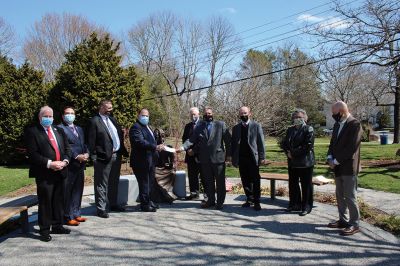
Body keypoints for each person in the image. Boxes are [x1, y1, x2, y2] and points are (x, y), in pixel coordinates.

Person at [24, 106, 72, 242]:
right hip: (45, 173)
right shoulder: (32, 132)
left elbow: (67, 149)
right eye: (45, 116)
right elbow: (32, 154)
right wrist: (50, 163)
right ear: (40, 118)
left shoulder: (59, 130)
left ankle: (57, 225)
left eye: (51, 116)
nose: (48, 118)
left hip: (61, 171)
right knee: (45, 202)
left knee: (58, 200)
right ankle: (44, 230)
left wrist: (65, 161)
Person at [180, 107, 231, 210]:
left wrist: (229, 155)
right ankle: (211, 201)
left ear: (213, 114)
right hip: (205, 159)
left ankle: (220, 202)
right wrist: (182, 148)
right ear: (203, 115)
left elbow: (228, 141)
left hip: (218, 159)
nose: (208, 115)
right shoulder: (199, 126)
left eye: (210, 113)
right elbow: (191, 139)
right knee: (208, 182)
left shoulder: (220, 125)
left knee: (220, 182)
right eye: (206, 113)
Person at [87, 100, 129, 218]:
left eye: (111, 108)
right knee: (101, 183)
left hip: (116, 155)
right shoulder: (94, 121)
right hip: (102, 157)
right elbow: (91, 142)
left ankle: (113, 204)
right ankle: (101, 208)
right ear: (101, 107)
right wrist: (94, 157)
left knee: (114, 181)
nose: (110, 110)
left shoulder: (112, 120)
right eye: (108, 108)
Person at [327, 101, 363, 236]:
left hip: (349, 167)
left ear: (342, 111)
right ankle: (343, 220)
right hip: (337, 167)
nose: (333, 116)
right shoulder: (337, 125)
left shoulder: (355, 124)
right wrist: (330, 157)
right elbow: (332, 143)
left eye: (334, 113)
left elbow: (351, 147)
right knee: (340, 195)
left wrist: (335, 161)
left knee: (350, 196)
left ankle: (354, 224)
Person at [281, 109, 315, 216]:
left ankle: (306, 207)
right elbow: (285, 143)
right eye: (295, 117)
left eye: (299, 117)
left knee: (306, 185)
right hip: (292, 162)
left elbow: (307, 145)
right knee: (293, 184)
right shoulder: (290, 130)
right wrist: (288, 152)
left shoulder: (308, 129)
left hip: (305, 162)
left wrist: (293, 153)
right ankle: (295, 205)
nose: (297, 119)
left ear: (304, 118)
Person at [58, 106, 89, 226]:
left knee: (78, 190)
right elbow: (65, 147)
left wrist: (87, 153)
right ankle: (67, 216)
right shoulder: (60, 129)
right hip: (70, 165)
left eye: (72, 113)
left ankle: (76, 213)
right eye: (67, 113)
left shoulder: (79, 129)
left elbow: (84, 144)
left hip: (80, 165)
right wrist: (76, 156)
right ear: (63, 116)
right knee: (68, 191)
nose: (70, 115)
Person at [231, 106, 266, 211]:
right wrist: (233, 158)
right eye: (241, 113)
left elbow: (261, 142)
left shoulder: (256, 126)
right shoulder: (236, 128)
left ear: (250, 113)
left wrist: (262, 157)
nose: (243, 115)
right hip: (241, 158)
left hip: (253, 158)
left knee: (255, 180)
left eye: (245, 113)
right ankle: (249, 199)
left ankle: (257, 201)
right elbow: (233, 144)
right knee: (245, 180)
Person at [130, 108, 165, 212]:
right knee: (144, 183)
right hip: (141, 161)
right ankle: (145, 205)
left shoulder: (148, 127)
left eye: (147, 116)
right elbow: (140, 142)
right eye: (143, 115)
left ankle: (149, 201)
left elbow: (153, 141)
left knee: (150, 183)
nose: (145, 117)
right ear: (138, 115)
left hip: (151, 161)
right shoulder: (135, 127)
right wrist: (155, 147)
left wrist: (159, 145)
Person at [182, 107, 203, 200]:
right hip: (190, 155)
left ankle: (207, 195)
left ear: (198, 114)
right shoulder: (188, 126)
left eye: (194, 114)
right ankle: (194, 194)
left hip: (201, 155)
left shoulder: (203, 124)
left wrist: (194, 150)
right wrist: (188, 150)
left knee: (203, 175)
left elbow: (203, 140)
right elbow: (184, 139)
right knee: (192, 175)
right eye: (191, 114)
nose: (193, 116)